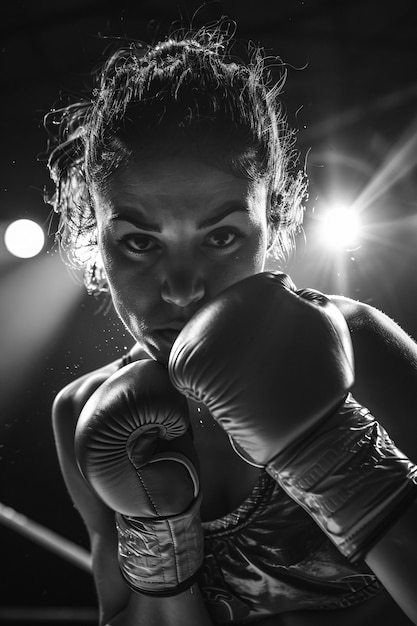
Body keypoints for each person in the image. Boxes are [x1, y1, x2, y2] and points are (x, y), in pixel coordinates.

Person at [45, 19, 417, 626]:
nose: (183, 288)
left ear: (273, 221)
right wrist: (157, 537)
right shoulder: (82, 413)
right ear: (96, 237)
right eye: (139, 242)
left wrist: (333, 452)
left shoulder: (359, 346)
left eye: (221, 236)